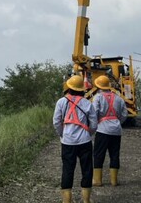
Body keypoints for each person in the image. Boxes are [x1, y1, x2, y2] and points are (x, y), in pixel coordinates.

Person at [53, 75, 98, 203]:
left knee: (67, 169)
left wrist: (62, 134)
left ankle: (67, 201)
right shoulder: (87, 103)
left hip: (67, 142)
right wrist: (88, 133)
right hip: (85, 141)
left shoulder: (61, 102)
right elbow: (94, 124)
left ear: (69, 87)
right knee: (87, 169)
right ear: (82, 89)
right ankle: (86, 200)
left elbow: (56, 122)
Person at [92, 75, 128, 187]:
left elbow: (94, 113)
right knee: (114, 154)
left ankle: (98, 180)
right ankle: (114, 181)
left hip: (102, 130)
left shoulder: (98, 97)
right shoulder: (119, 98)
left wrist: (97, 123)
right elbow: (124, 115)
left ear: (98, 86)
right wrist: (117, 122)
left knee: (99, 154)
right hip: (116, 130)